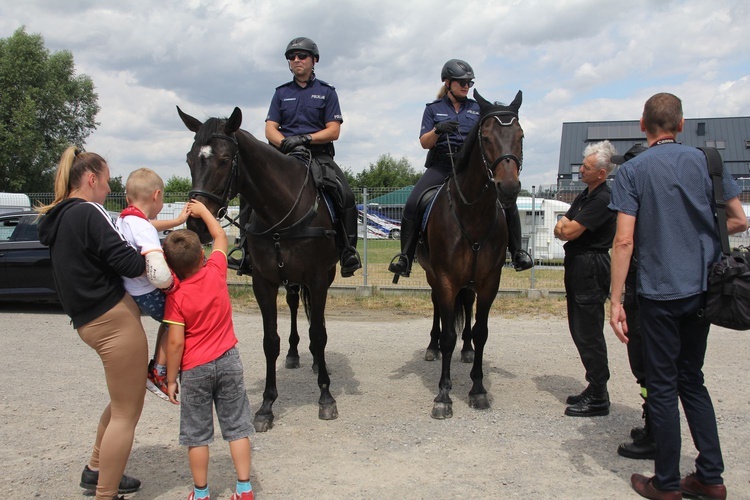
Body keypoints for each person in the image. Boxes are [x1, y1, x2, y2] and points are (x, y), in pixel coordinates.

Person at [609, 93, 746, 499]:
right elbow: (737, 219)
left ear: (642, 125)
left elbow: (623, 240)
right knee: (693, 380)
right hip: (704, 289)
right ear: (681, 125)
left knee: (664, 385)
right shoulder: (708, 163)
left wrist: (615, 301)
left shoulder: (633, 171)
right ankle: (710, 477)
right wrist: (701, 233)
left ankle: (666, 483)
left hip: (658, 292)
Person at [37, 146, 147, 499]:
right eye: (107, 179)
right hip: (114, 320)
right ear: (91, 179)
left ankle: (96, 469)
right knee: (127, 414)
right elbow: (128, 264)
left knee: (120, 402)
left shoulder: (60, 217)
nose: (110, 186)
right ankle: (105, 492)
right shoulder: (89, 212)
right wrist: (152, 251)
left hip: (88, 321)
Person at [388, 58, 532, 278]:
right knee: (412, 203)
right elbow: (425, 142)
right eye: (461, 82)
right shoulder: (433, 109)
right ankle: (405, 257)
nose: (466, 86)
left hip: (470, 170)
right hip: (441, 166)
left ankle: (518, 252)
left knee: (507, 200)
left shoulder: (478, 110)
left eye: (469, 83)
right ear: (447, 83)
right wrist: (438, 130)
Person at [162, 200, 254, 500]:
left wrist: (171, 378)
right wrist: (203, 212)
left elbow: (175, 342)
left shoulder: (175, 296)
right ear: (202, 255)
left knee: (197, 434)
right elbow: (221, 237)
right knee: (237, 426)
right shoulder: (216, 270)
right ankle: (244, 488)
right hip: (228, 359)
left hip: (195, 368)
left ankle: (200, 493)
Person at [264, 36, 361, 278]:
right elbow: (270, 129)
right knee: (252, 189)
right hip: (285, 155)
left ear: (314, 60)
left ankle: (348, 251)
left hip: (319, 155)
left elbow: (333, 130)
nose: (296, 60)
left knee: (346, 195)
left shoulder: (327, 92)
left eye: (302, 56)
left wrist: (305, 139)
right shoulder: (280, 93)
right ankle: (245, 249)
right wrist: (285, 143)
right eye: (291, 57)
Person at [554, 140, 617, 418]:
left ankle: (599, 394)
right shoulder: (585, 195)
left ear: (601, 173)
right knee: (579, 328)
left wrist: (567, 227)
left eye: (587, 167)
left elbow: (568, 231)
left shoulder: (603, 198)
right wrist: (566, 227)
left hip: (592, 263)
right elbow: (562, 225)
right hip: (578, 262)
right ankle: (594, 385)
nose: (581, 170)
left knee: (589, 330)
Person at [116, 168, 190, 401]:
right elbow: (157, 269)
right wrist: (171, 288)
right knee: (178, 320)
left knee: (167, 322)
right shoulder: (144, 228)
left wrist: (177, 221)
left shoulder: (126, 218)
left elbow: (148, 225)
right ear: (157, 195)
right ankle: (159, 372)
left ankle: (158, 365)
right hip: (148, 290)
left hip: (132, 290)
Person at [610, 145, 656, 460]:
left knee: (644, 363)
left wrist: (615, 299)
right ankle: (653, 422)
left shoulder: (637, 182)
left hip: (645, 285)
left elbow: (623, 241)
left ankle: (656, 432)